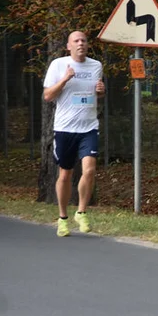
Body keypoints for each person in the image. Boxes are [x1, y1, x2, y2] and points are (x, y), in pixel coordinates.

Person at [43, 30, 105, 236]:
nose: (81, 43)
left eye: (84, 41)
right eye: (76, 41)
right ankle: (62, 217)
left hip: (88, 127)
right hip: (65, 128)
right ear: (68, 46)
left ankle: (81, 211)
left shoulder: (96, 66)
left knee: (89, 170)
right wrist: (65, 80)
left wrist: (100, 91)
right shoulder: (58, 65)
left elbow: (95, 93)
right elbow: (48, 96)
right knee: (65, 174)